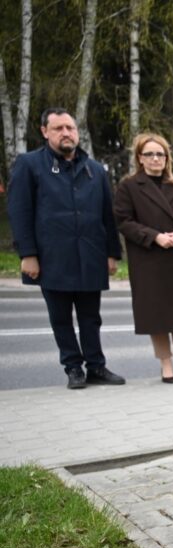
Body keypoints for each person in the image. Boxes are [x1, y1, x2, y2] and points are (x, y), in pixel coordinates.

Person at [7, 108, 126, 389]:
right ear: (44, 132)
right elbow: (20, 211)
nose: (66, 133)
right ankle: (73, 368)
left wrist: (112, 253)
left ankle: (96, 366)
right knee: (61, 318)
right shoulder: (29, 164)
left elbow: (106, 215)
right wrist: (28, 254)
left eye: (70, 128)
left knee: (91, 318)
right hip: (52, 257)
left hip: (90, 254)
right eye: (58, 128)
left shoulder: (94, 169)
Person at [114, 133, 173, 383]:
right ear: (140, 158)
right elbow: (123, 221)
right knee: (156, 314)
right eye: (149, 154)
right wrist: (154, 237)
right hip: (148, 259)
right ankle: (165, 362)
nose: (155, 159)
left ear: (167, 158)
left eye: (160, 154)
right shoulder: (129, 186)